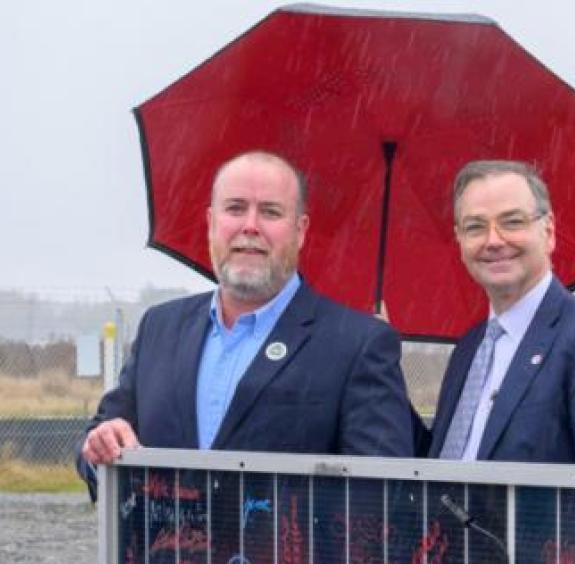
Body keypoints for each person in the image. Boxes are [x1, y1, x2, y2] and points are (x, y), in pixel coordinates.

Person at [78, 151, 415, 496]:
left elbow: (381, 497)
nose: (250, 226)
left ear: (300, 231)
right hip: (168, 550)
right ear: (211, 222)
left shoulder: (357, 344)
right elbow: (97, 447)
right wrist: (98, 446)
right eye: (235, 208)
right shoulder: (159, 329)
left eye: (270, 211)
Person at [422, 160, 575, 465]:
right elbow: (442, 462)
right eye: (475, 226)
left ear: (549, 231)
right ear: (460, 240)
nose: (493, 240)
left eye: (512, 222)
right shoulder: (469, 349)